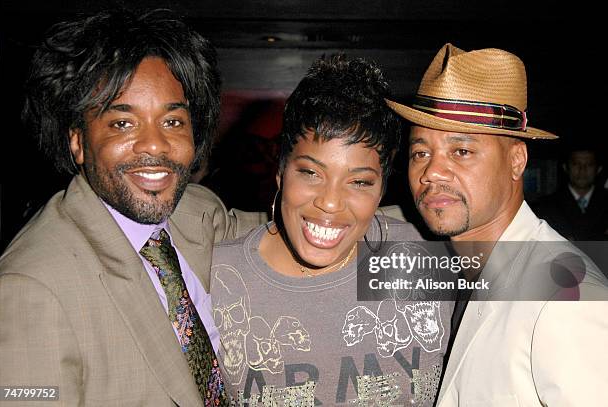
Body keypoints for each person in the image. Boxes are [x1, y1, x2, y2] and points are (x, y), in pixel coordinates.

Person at [0, 10, 257, 406]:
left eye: (172, 121)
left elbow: (308, 234)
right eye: (122, 123)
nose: (154, 145)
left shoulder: (198, 212)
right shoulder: (30, 290)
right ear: (78, 141)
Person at [209, 54, 453, 406]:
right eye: (311, 173)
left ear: (382, 190)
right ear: (280, 171)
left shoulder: (426, 255)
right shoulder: (217, 279)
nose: (331, 203)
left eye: (359, 182)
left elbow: (552, 288)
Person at [387, 43, 608, 406]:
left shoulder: (568, 300)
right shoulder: (460, 270)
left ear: (517, 161)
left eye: (462, 151)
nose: (431, 172)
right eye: (420, 152)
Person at [534, 143, 608, 240]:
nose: (582, 170)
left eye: (589, 165)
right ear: (565, 167)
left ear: (598, 169)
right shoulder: (546, 206)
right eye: (576, 164)